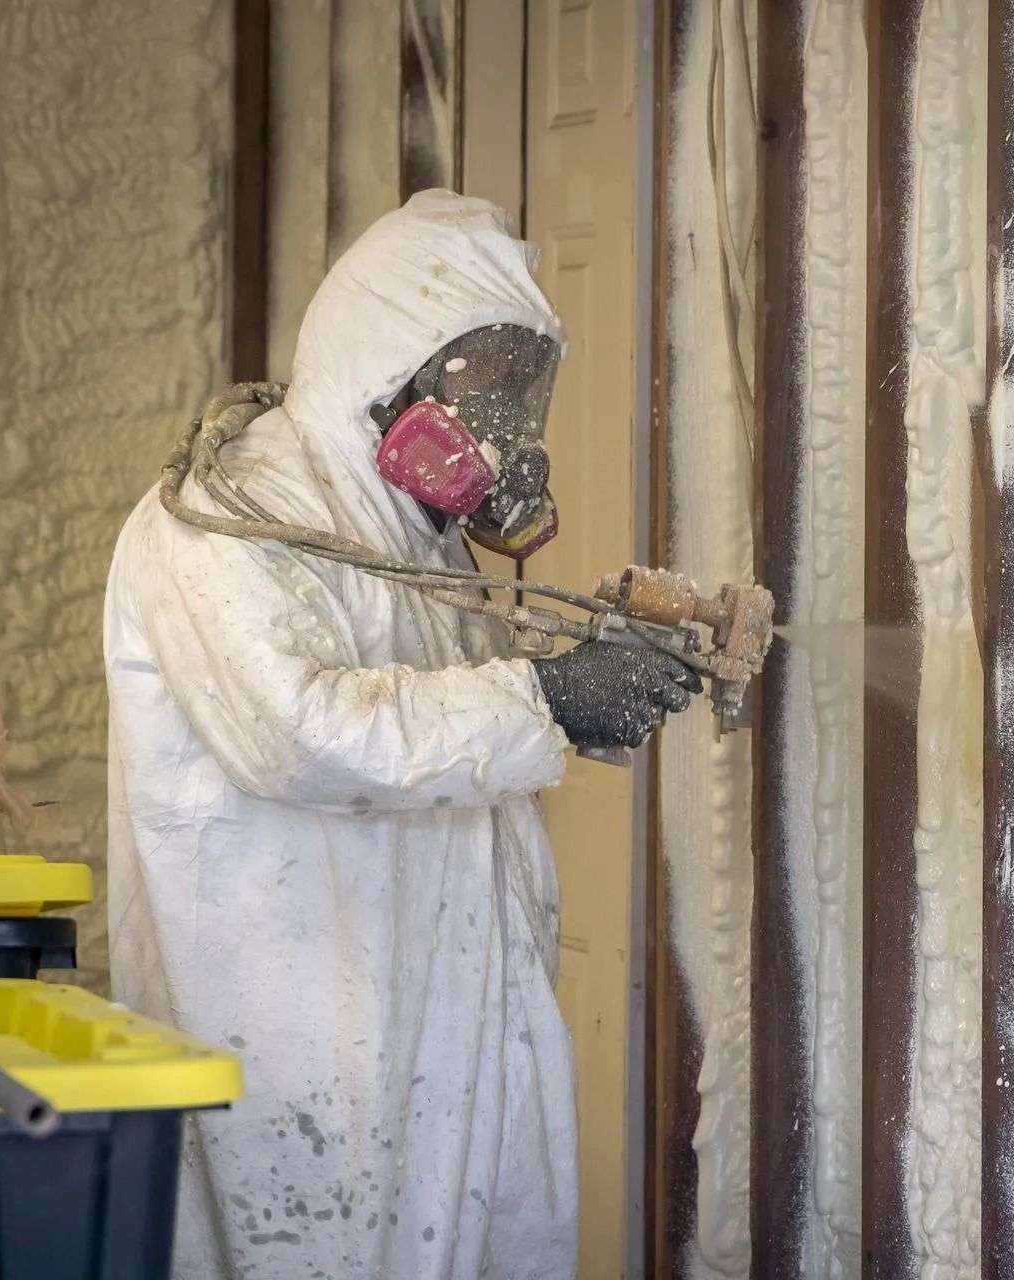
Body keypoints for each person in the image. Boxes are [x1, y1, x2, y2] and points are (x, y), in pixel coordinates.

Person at [104, 190, 693, 1279]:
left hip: (443, 1031)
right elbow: (300, 731)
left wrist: (589, 670)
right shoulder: (228, 516)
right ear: (382, 361)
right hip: (301, 1039)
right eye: (482, 385)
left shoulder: (410, 536)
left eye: (524, 389)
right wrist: (553, 700)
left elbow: (447, 718)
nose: (506, 428)